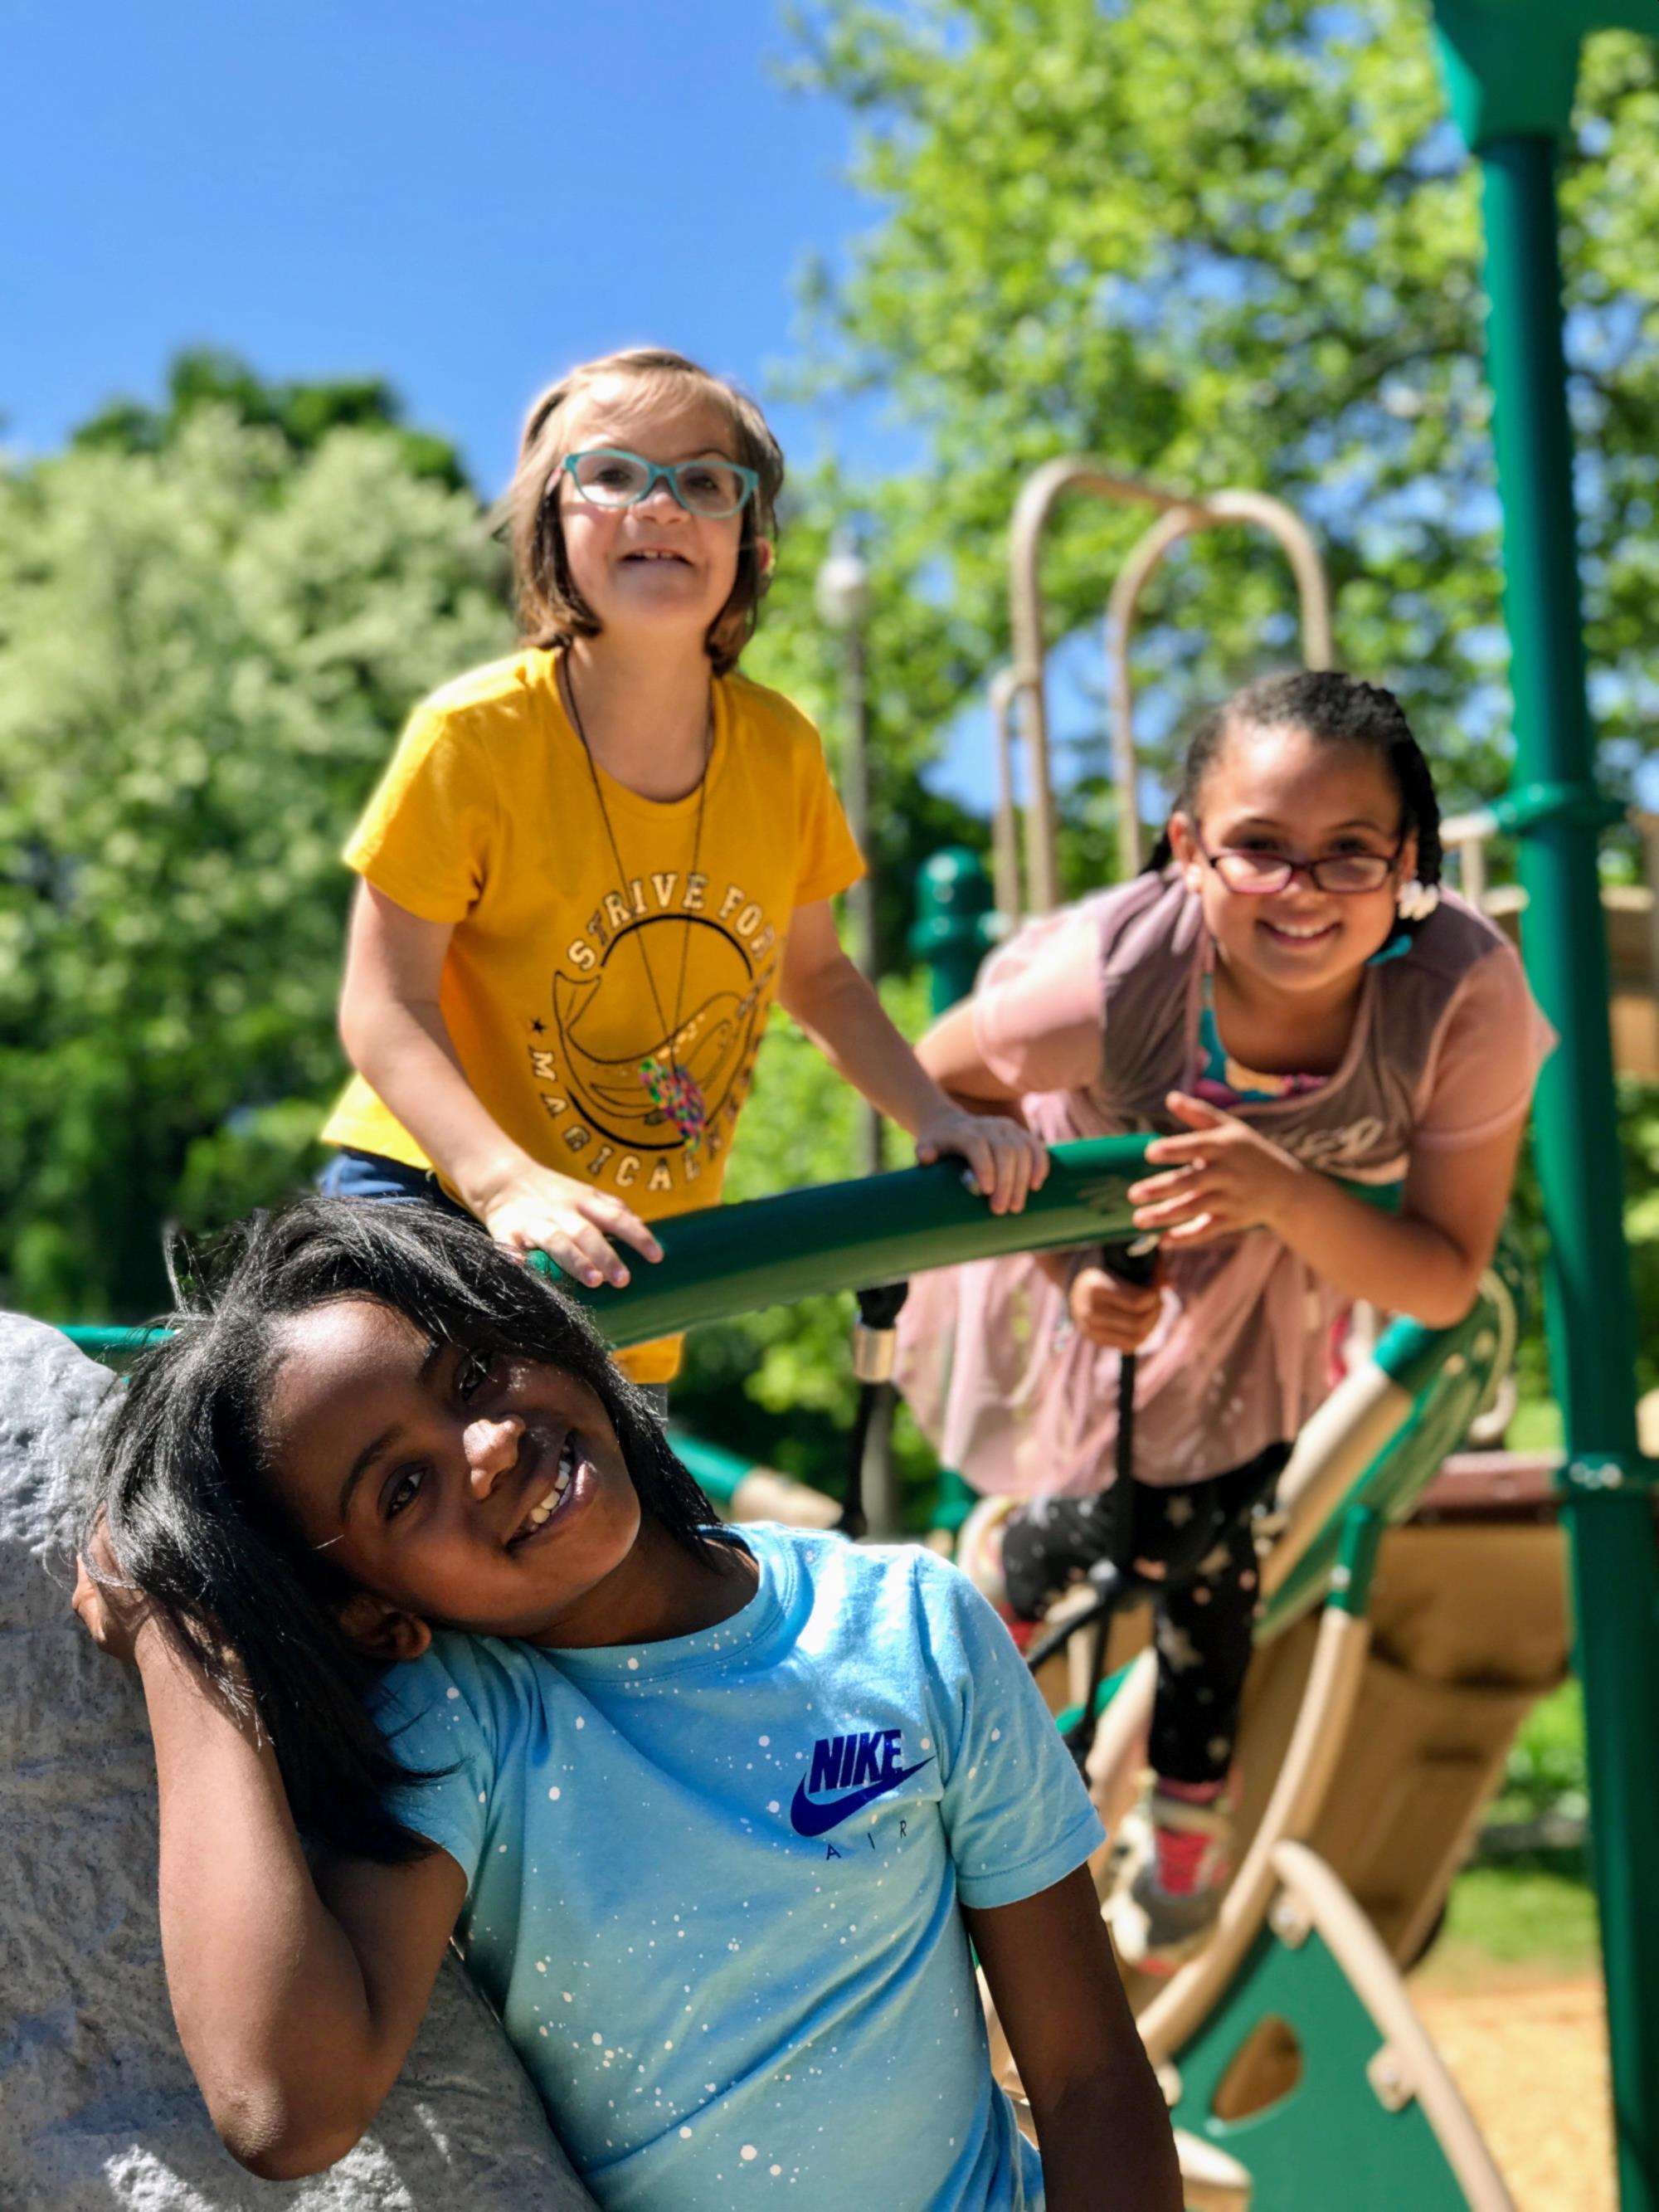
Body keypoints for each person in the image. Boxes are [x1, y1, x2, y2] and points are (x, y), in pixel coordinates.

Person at [71, 1198, 1181, 2212]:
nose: (490, 1445)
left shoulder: (908, 1623)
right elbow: (285, 2106)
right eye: (404, 1489)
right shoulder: (467, 1724)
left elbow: (1087, 2076)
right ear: (376, 1613)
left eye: (472, 1373)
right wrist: (182, 1642)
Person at [896, 670, 1554, 1970]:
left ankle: (1182, 1814)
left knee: (1222, 1538)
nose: (1302, 887)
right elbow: (937, 1079)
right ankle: (982, 1640)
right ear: (1190, 850)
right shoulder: (1108, 979)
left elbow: (1437, 1278)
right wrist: (1071, 1260)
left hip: (1280, 1267)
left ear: (1411, 862)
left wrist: (1279, 1188)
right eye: (1257, 846)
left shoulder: (1461, 996)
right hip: (1099, 1260)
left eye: (1350, 854)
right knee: (1131, 1522)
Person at [318, 347, 1042, 1391]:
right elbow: (383, 1003)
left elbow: (822, 977)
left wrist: (934, 1113)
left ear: (750, 543)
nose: (658, 505)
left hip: (636, 1245)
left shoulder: (780, 749)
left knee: (596, 1535)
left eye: (704, 480)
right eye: (612, 475)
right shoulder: (471, 738)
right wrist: (507, 1182)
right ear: (548, 525)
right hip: (432, 1195)